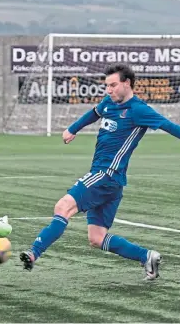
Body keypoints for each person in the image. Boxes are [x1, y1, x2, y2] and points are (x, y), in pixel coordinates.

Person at [20, 63, 180, 280]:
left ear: (127, 83)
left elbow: (169, 126)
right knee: (96, 238)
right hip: (112, 182)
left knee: (63, 206)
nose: (109, 90)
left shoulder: (138, 110)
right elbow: (93, 114)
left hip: (106, 175)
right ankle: (147, 256)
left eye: (113, 85)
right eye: (107, 86)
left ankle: (33, 253)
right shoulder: (108, 103)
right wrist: (72, 129)